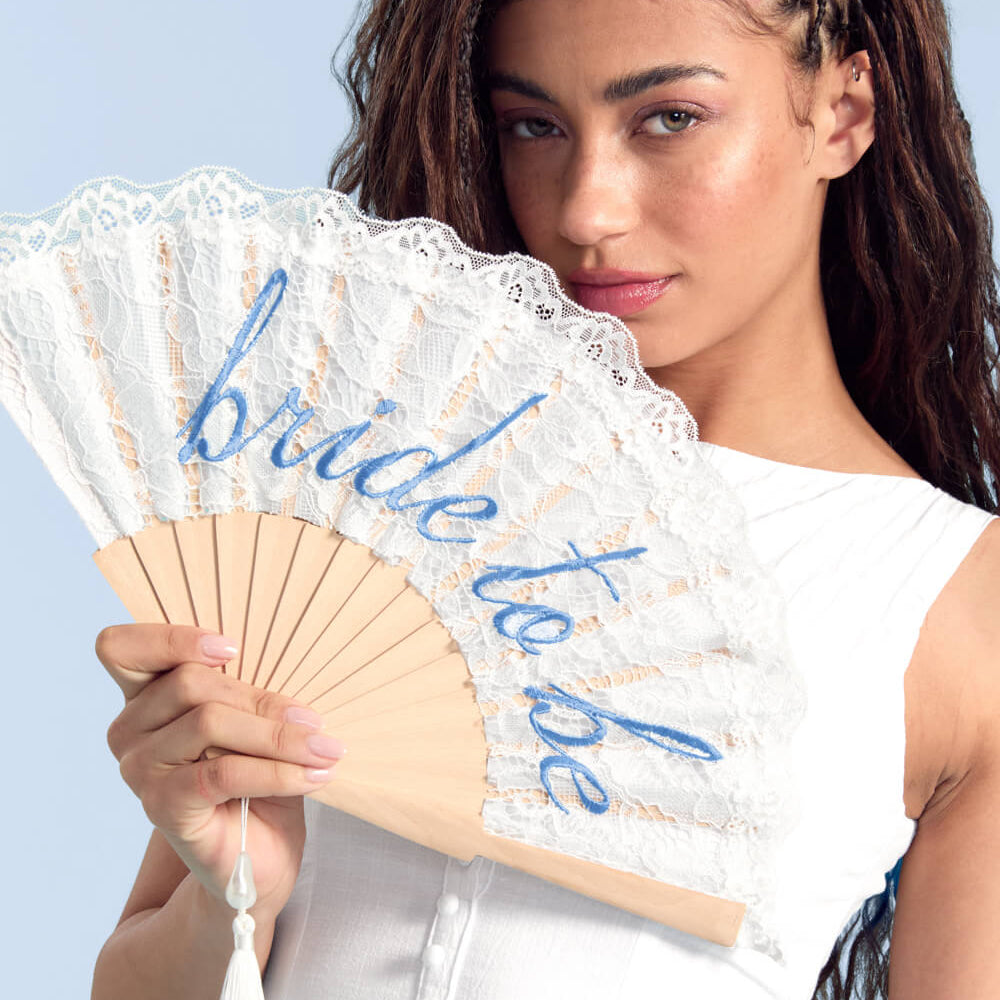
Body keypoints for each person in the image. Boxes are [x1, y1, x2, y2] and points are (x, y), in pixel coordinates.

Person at [91, 1, 1000, 998]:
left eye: (668, 118)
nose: (585, 211)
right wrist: (236, 889)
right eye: (536, 126)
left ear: (841, 111)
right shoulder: (348, 491)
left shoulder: (957, 603)